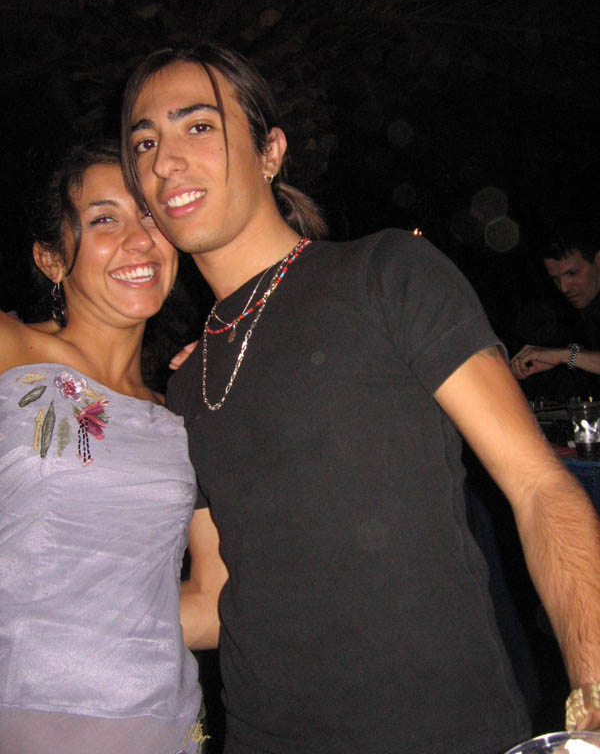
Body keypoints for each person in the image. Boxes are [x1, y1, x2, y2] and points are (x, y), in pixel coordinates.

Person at [121, 44, 600, 754]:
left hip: (438, 732)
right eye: (145, 143)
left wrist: (594, 693)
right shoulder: (188, 385)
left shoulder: (384, 274)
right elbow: (214, 604)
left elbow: (538, 487)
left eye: (198, 127)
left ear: (270, 152)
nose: (165, 161)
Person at [0, 141, 213, 754]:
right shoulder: (10, 349)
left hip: (159, 727)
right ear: (51, 259)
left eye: (150, 216)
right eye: (103, 220)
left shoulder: (185, 412)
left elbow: (212, 602)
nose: (140, 239)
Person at [512, 237, 600, 383]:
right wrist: (559, 359)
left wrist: (564, 355)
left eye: (572, 273)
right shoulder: (586, 308)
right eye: (555, 279)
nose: (564, 287)